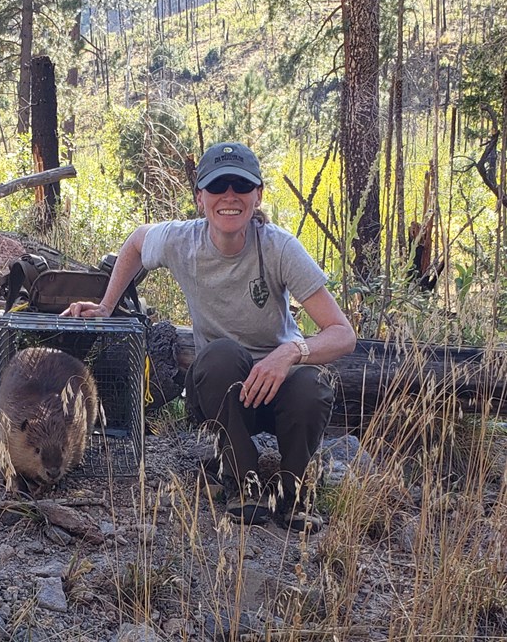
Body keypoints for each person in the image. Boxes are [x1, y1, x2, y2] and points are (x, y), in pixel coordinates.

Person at [62, 142, 356, 529]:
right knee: (220, 357)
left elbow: (342, 333)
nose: (229, 196)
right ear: (201, 198)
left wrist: (290, 353)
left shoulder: (279, 247)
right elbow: (136, 241)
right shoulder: (183, 240)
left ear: (258, 196)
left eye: (241, 186)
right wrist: (105, 305)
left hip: (278, 390)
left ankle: (293, 495)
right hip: (221, 391)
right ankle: (242, 483)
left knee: (311, 387)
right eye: (218, 187)